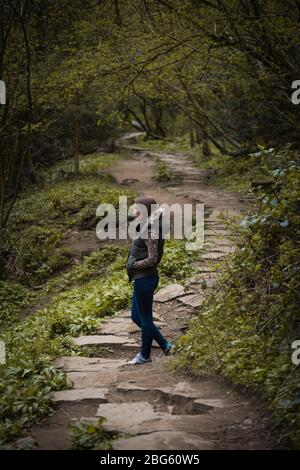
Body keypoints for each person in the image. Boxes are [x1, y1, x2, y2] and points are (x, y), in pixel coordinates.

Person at [126, 196, 173, 364]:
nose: (134, 210)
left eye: (136, 207)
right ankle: (165, 344)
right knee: (136, 317)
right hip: (141, 278)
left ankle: (144, 355)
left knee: (145, 318)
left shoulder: (151, 229)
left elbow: (153, 259)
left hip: (145, 278)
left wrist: (134, 265)